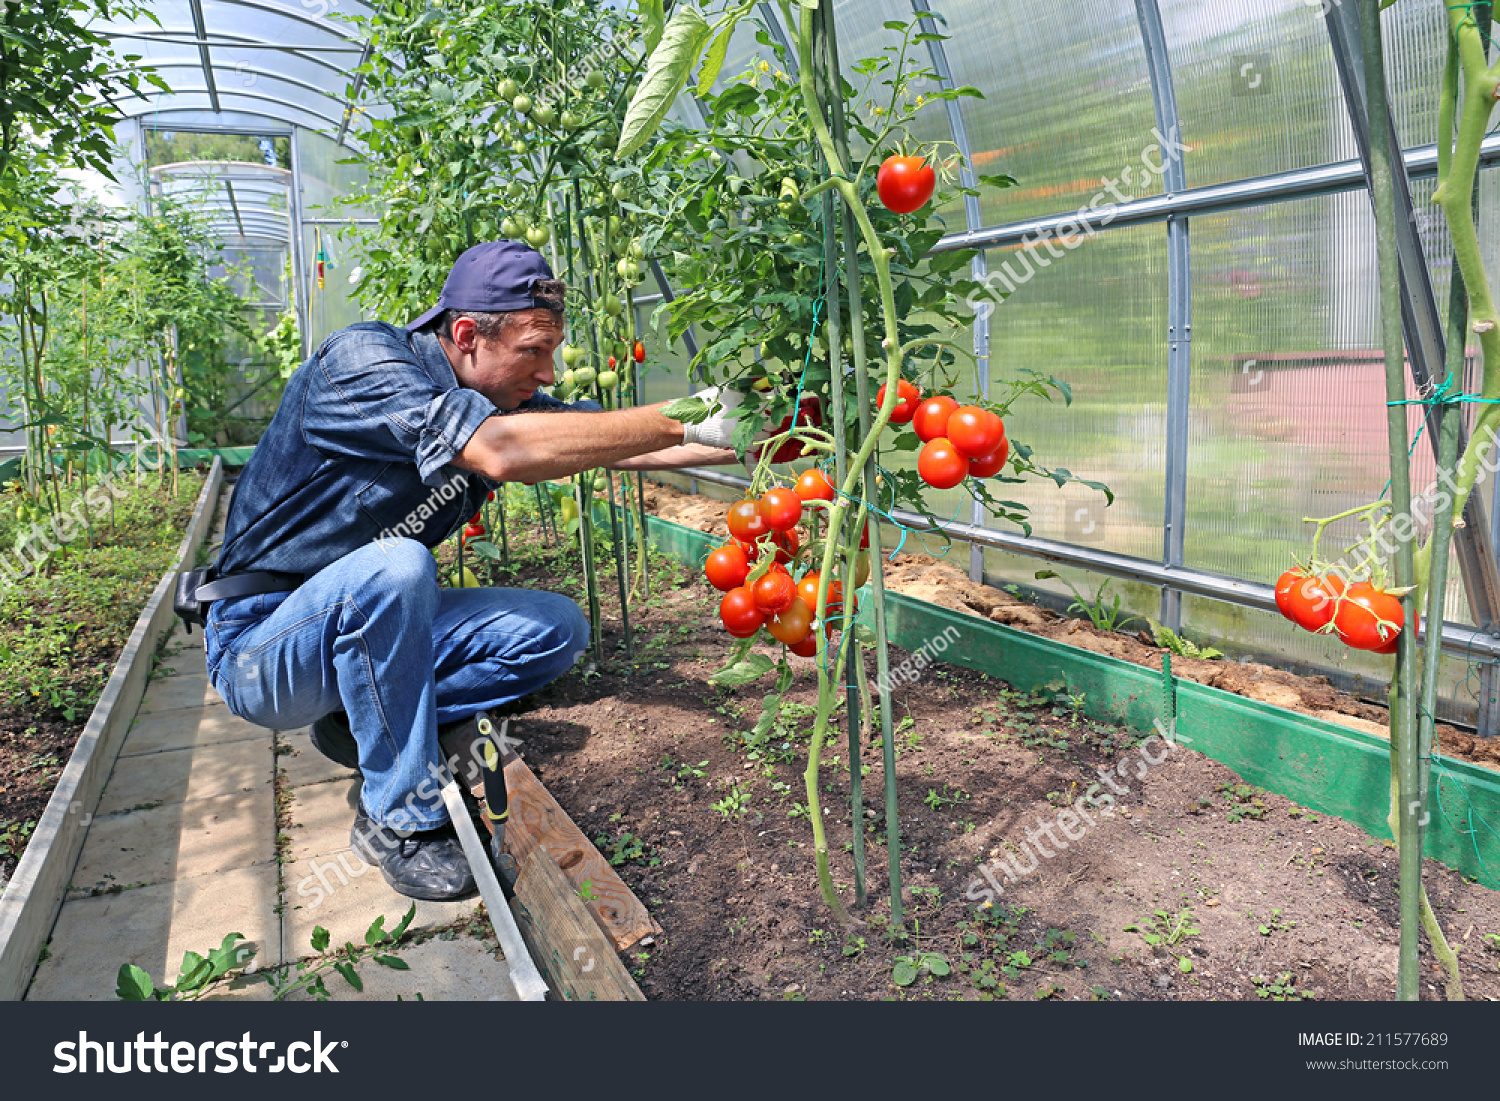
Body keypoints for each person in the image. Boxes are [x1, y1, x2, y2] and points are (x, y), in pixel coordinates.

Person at [202, 240, 743, 901]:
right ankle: (399, 820)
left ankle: (359, 718)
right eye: (534, 350)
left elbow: (605, 438)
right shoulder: (363, 362)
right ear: (465, 334)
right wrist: (685, 412)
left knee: (555, 629)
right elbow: (499, 451)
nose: (548, 372)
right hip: (262, 645)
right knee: (400, 566)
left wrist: (745, 434)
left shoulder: (497, 399)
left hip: (359, 628)